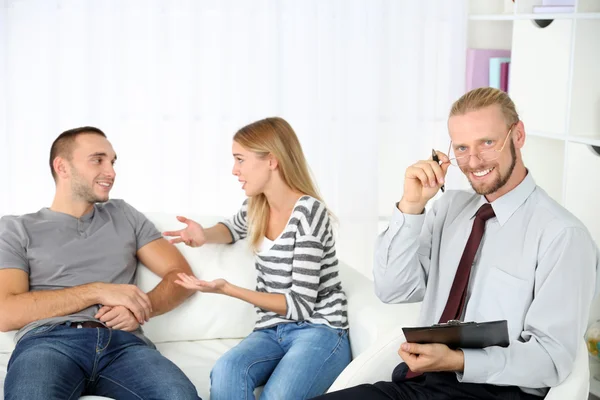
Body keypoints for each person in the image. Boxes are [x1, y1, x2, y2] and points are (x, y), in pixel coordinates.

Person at [311, 87, 598, 400]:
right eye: (461, 148)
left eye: (487, 143)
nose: (473, 161)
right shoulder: (449, 210)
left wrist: (458, 360)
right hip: (418, 384)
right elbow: (392, 289)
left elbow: (551, 360)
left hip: (496, 392)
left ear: (518, 135)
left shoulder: (562, 235)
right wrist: (411, 207)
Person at [0, 127, 201, 400]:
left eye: (112, 161)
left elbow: (181, 277)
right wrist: (96, 290)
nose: (111, 171)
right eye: (98, 160)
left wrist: (142, 309)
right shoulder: (16, 228)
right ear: (62, 167)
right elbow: (6, 312)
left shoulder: (125, 215)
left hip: (124, 344)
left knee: (180, 397)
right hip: (48, 342)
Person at [164, 117, 351, 400]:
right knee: (226, 369)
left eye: (240, 159)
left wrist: (227, 289)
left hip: (319, 329)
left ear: (271, 161)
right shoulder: (256, 205)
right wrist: (203, 234)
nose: (234, 170)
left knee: (278, 396)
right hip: (271, 330)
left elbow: (299, 306)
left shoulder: (308, 213)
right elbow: (231, 229)